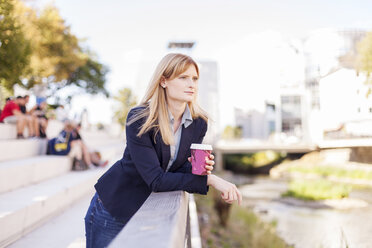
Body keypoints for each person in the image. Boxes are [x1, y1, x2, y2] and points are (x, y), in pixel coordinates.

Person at [84, 53, 242, 247]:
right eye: (183, 78)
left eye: (194, 78)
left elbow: (177, 169)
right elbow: (156, 179)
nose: (191, 84)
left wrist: (199, 168)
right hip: (113, 208)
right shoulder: (140, 118)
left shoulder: (199, 123)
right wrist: (210, 179)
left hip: (149, 211)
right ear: (164, 81)